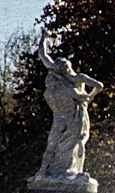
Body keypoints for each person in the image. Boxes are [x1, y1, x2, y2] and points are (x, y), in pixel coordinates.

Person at [33, 30, 104, 179]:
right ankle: (45, 170)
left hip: (76, 114)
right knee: (53, 141)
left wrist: (89, 97)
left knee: (75, 140)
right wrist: (44, 39)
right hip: (60, 115)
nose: (58, 71)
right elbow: (43, 56)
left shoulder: (78, 78)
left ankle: (72, 170)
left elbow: (99, 85)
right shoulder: (57, 73)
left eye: (62, 67)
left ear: (67, 67)